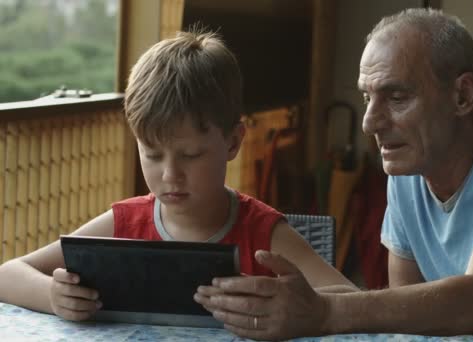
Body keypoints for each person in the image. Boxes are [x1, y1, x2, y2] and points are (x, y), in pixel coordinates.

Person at [198, 8, 473, 340]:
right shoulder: (409, 169)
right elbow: (406, 313)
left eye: (396, 97)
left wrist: (322, 311)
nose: (370, 124)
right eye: (366, 98)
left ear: (463, 95)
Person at [0, 29, 354, 322]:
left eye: (191, 155)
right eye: (152, 154)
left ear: (232, 142)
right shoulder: (124, 225)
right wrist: (53, 296)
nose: (170, 175)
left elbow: (351, 299)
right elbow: (8, 274)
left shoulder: (263, 234)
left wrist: (294, 303)